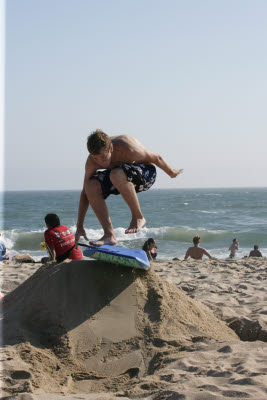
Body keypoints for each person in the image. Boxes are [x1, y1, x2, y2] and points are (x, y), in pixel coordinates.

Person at [75, 130, 183, 246]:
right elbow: (85, 193)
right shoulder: (92, 162)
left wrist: (172, 173)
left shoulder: (128, 148)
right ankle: (109, 235)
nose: (100, 162)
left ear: (111, 148)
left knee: (116, 174)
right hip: (120, 178)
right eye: (95, 158)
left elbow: (156, 158)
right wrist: (80, 225)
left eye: (103, 157)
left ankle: (138, 216)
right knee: (89, 186)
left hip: (146, 174)